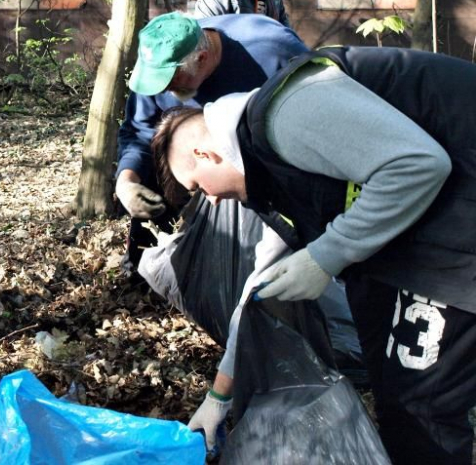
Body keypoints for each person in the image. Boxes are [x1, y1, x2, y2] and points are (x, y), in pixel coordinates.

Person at [152, 46, 476, 464]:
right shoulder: (267, 170)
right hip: (445, 228)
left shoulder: (287, 112)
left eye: (198, 188)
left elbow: (417, 165)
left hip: (459, 228)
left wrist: (326, 255)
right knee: (401, 396)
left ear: (205, 154)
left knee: (421, 406)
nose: (210, 202)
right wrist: (219, 397)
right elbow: (261, 287)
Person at [116, 11, 307, 269]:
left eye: (172, 82)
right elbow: (140, 131)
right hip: (192, 167)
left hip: (264, 170)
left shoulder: (273, 51)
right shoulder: (159, 64)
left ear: (202, 58)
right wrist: (126, 182)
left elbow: (310, 119)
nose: (163, 90)